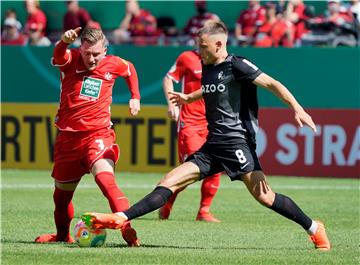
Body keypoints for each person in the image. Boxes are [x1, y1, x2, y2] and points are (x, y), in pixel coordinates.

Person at [81, 21, 331, 251]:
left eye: (203, 47)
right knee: (170, 180)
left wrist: (297, 109)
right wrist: (190, 97)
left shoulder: (238, 64)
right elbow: (212, 88)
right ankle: (121, 218)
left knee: (265, 197)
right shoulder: (207, 65)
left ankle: (314, 227)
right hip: (213, 145)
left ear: (219, 44)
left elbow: (273, 84)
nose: (198, 51)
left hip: (236, 143)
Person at [34, 26, 141, 247]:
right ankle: (62, 236)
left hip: (98, 134)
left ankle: (128, 229)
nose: (91, 59)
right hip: (68, 139)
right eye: (87, 53)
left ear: (105, 50)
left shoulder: (113, 63)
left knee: (105, 180)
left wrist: (135, 97)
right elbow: (58, 55)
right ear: (79, 49)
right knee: (60, 198)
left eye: (96, 54)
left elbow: (129, 69)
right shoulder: (70, 59)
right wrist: (63, 42)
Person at [160, 49, 221, 222]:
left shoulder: (222, 61)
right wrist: (172, 105)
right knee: (192, 169)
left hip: (213, 123)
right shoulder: (187, 58)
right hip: (190, 123)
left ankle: (204, 211)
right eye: (200, 42)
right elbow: (168, 78)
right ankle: (168, 202)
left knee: (217, 167)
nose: (202, 45)